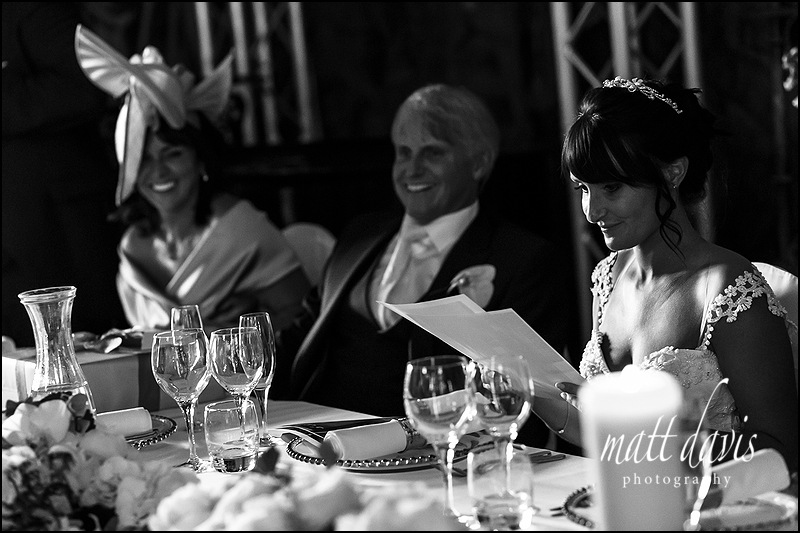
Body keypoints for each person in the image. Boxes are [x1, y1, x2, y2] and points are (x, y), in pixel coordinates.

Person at [275, 83, 570, 448]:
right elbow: (295, 340)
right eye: (404, 153)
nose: (412, 169)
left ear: (478, 163)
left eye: (433, 152)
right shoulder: (359, 236)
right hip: (316, 445)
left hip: (434, 459)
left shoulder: (523, 260)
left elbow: (523, 401)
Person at [537, 77, 798, 471]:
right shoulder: (608, 278)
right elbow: (605, 434)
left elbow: (780, 451)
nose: (592, 211)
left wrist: (643, 433)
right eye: (583, 189)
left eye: (612, 187)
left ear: (673, 173)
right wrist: (532, 394)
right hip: (628, 493)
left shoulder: (729, 291)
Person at [74, 26, 310, 332]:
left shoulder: (240, 229)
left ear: (201, 159)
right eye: (143, 158)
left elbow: (305, 317)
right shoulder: (134, 244)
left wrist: (237, 331)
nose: (158, 171)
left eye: (172, 154)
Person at [3, 3, 126, 346]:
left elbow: (84, 84)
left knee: (81, 349)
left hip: (57, 231)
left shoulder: (28, 9)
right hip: (12, 244)